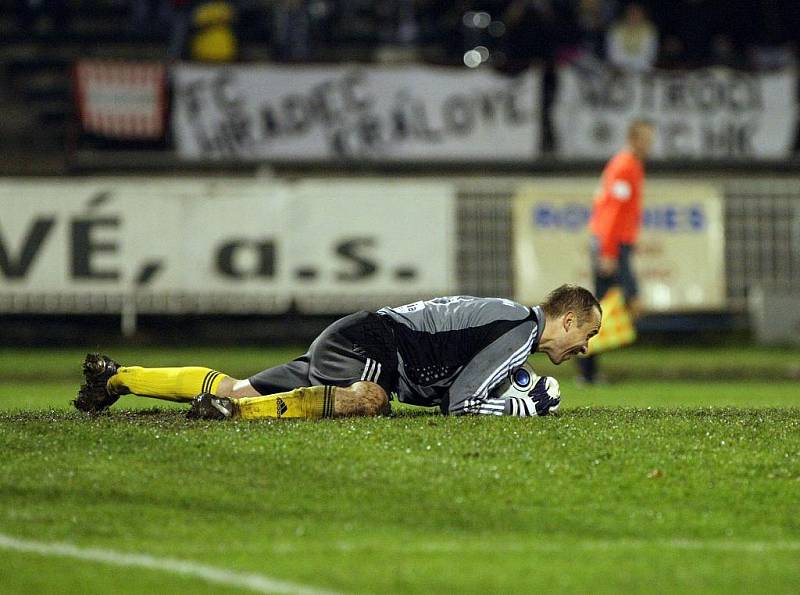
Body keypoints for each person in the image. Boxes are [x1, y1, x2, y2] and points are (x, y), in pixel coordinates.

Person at [74, 284, 601, 420]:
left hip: (359, 336)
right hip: (373, 346)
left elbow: (453, 384)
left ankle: (117, 378)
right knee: (369, 400)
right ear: (569, 319)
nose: (587, 345)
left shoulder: (510, 319)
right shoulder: (521, 330)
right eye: (589, 334)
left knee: (238, 383)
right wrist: (520, 406)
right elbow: (463, 402)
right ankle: (233, 415)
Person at [577, 118, 655, 385]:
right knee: (609, 308)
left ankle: (588, 370)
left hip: (614, 244)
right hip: (611, 246)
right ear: (633, 140)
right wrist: (608, 251)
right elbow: (611, 212)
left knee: (600, 309)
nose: (649, 145)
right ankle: (584, 366)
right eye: (645, 139)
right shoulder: (625, 167)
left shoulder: (629, 165)